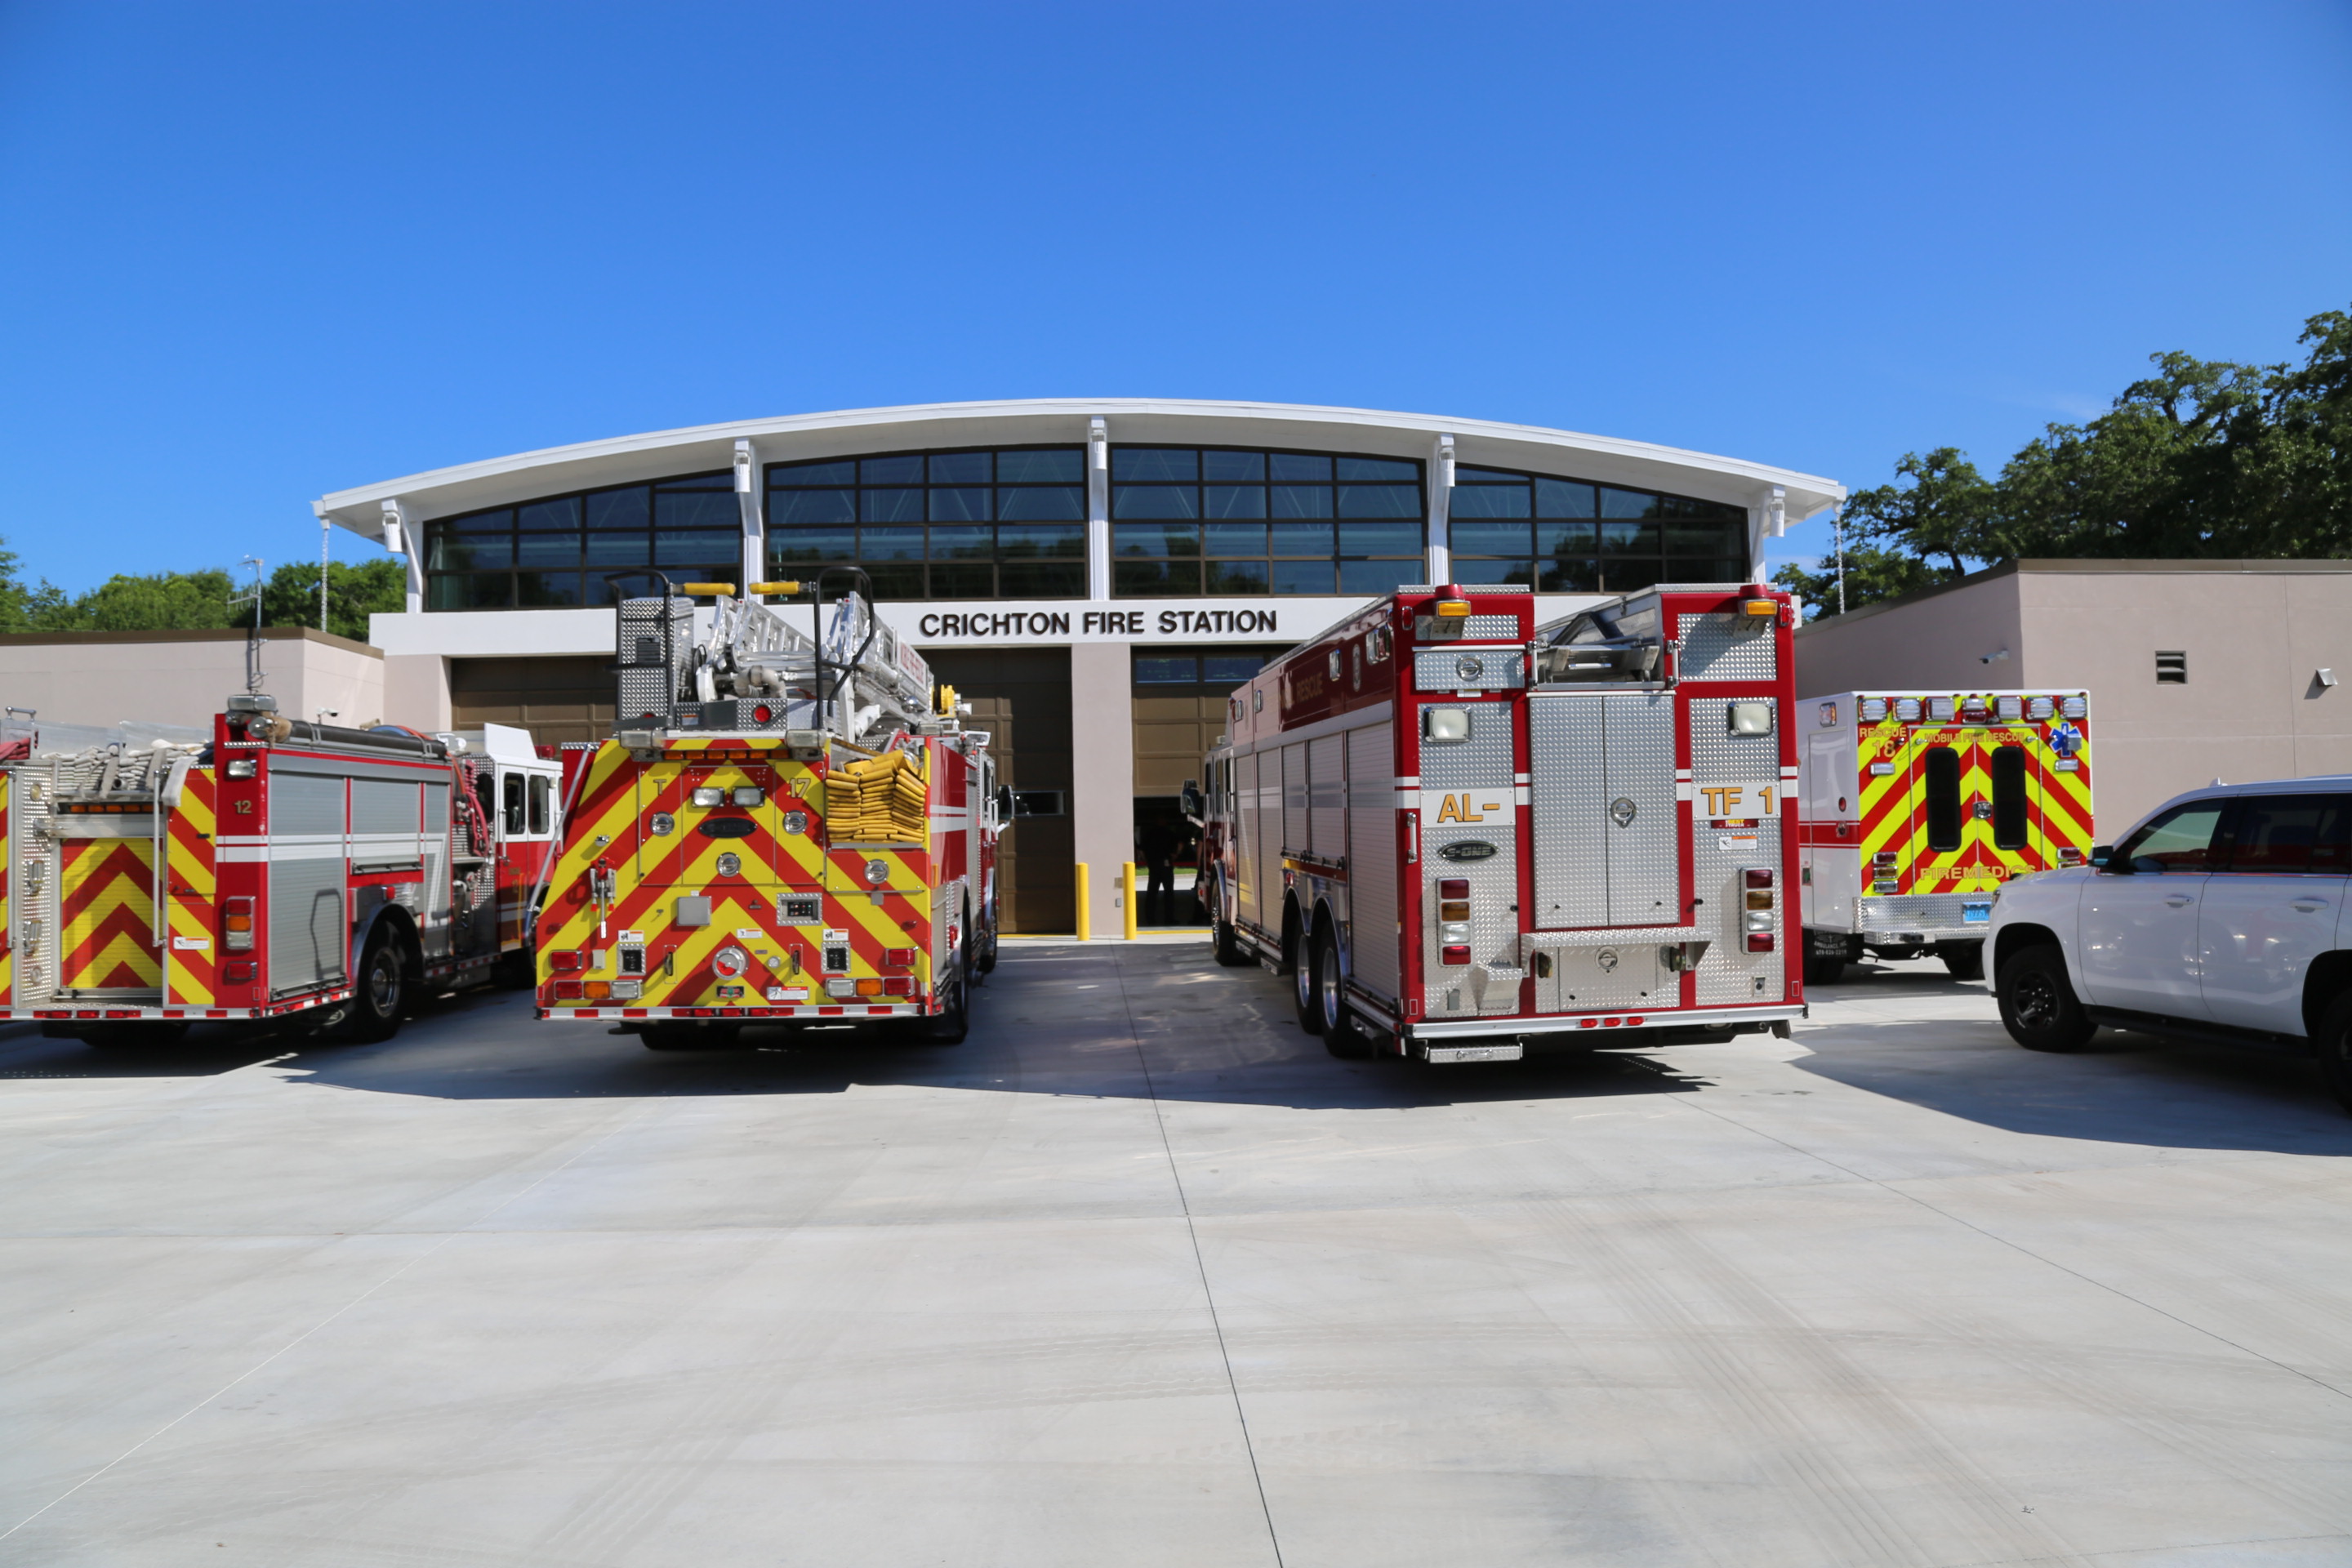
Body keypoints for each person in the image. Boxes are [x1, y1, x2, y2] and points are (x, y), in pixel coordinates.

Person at [1138, 815, 1179, 921]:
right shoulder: (1169, 833)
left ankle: (1150, 917)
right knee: (1169, 892)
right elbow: (1179, 845)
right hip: (1166, 864)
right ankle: (1169, 918)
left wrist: (1147, 862)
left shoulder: (1149, 834)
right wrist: (1174, 856)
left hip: (1153, 864)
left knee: (1152, 892)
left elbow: (1141, 850)